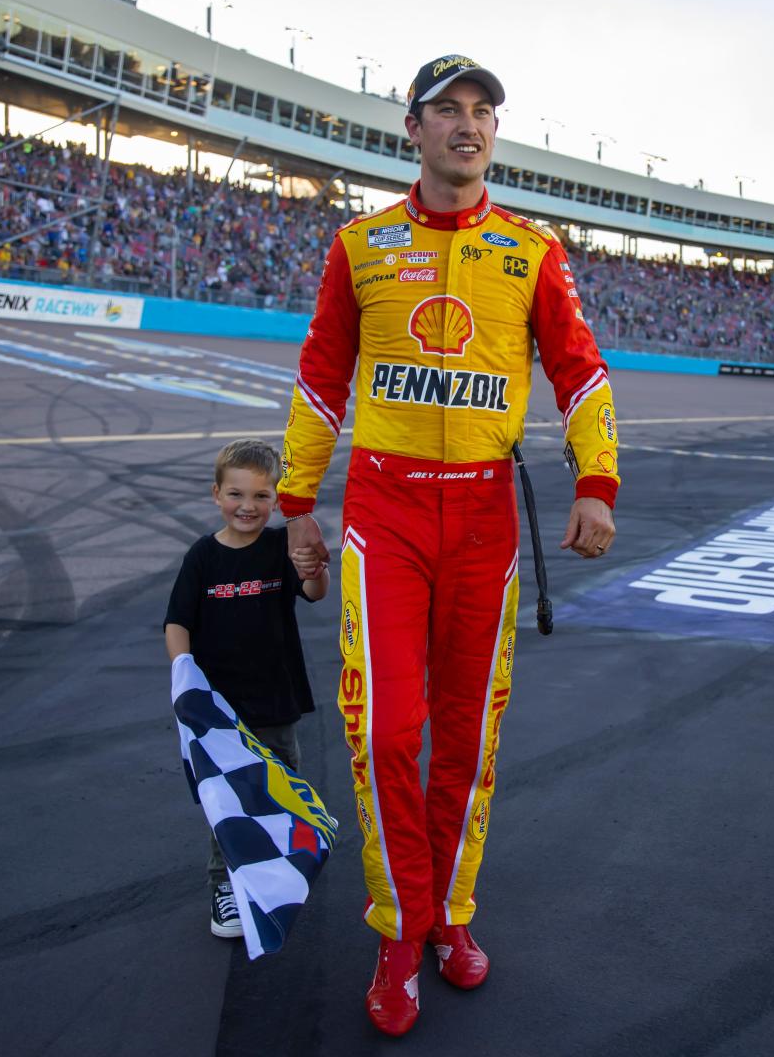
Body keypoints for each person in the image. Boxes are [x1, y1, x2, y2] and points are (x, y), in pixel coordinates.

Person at [278, 54, 620, 1035]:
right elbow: (320, 376)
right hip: (382, 515)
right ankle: (399, 927)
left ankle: (450, 917)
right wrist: (299, 502)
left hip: (483, 522)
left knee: (465, 740)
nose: (467, 126)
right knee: (384, 731)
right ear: (413, 130)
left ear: (492, 135)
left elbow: (582, 374)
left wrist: (595, 483)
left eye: (483, 113)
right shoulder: (360, 244)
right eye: (447, 111)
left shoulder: (533, 251)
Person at [164, 439, 329, 939]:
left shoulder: (281, 546)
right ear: (216, 494)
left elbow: (315, 594)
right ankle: (226, 885)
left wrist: (315, 569)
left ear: (276, 500)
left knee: (279, 794)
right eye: (236, 494)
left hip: (275, 702)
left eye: (261, 496)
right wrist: (185, 682)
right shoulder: (203, 557)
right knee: (230, 802)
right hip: (220, 711)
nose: (248, 506)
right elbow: (177, 623)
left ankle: (277, 872)